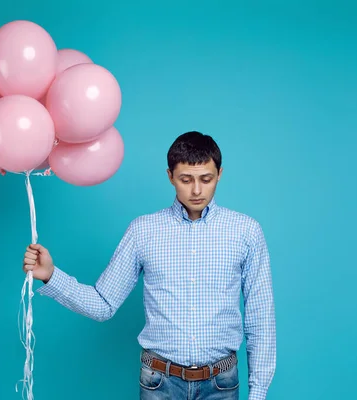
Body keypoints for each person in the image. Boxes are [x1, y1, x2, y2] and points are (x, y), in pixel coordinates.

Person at [22, 131, 276, 400]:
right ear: (170, 176)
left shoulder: (246, 232)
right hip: (160, 384)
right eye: (186, 180)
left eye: (206, 179)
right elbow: (102, 304)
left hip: (221, 384)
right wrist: (50, 275)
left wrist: (258, 393)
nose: (197, 190)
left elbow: (260, 320)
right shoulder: (143, 231)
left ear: (219, 174)